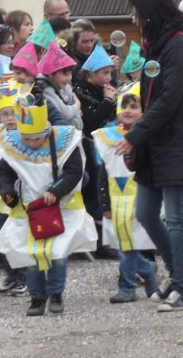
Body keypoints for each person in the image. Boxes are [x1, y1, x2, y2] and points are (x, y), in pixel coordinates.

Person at [117, 0, 183, 312]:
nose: (134, 20)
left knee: (177, 218)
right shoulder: (157, 46)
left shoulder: (179, 45)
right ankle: (177, 272)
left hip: (179, 142)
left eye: (137, 14)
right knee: (145, 213)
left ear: (151, 14)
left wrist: (135, 135)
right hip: (156, 144)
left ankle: (182, 289)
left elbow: (169, 100)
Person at [0, 95, 98, 316]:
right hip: (28, 209)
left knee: (57, 253)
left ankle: (56, 293)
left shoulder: (65, 142)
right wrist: (8, 193)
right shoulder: (15, 144)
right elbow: (4, 172)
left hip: (61, 206)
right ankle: (37, 297)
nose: (31, 143)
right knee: (31, 255)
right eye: (27, 139)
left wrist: (56, 190)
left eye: (36, 138)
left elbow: (74, 171)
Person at [93, 85, 158, 303]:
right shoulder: (108, 137)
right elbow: (103, 173)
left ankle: (127, 285)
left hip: (139, 198)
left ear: (143, 110)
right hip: (116, 199)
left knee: (128, 243)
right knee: (122, 243)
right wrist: (105, 204)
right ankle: (145, 271)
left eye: (134, 106)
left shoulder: (149, 136)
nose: (128, 110)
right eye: (124, 106)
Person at [0, 81, 28, 297]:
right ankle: (10, 274)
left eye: (14, 113)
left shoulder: (28, 135)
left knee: (22, 236)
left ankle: (24, 278)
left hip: (24, 194)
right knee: (4, 236)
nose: (10, 118)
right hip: (4, 194)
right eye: (5, 114)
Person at [73, 42, 116, 238]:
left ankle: (102, 236)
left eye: (110, 73)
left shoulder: (101, 89)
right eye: (104, 73)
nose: (109, 77)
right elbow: (90, 122)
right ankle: (95, 236)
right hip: (89, 151)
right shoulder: (82, 91)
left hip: (103, 149)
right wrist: (107, 101)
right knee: (94, 192)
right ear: (91, 72)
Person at [36, 40, 83, 129]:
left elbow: (71, 102)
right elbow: (66, 113)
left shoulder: (63, 85)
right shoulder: (46, 88)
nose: (69, 78)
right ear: (51, 73)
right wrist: (77, 105)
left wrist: (74, 110)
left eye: (70, 73)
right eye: (65, 74)